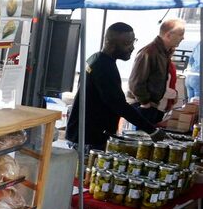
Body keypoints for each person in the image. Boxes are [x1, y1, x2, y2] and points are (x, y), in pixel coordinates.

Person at [66, 22, 160, 153]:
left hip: (85, 133)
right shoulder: (104, 67)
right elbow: (118, 104)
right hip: (88, 138)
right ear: (111, 43)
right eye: (127, 43)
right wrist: (153, 131)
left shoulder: (97, 59)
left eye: (133, 42)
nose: (132, 48)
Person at [127, 19, 186, 123]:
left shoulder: (164, 52)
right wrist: (146, 103)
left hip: (154, 107)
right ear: (168, 35)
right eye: (181, 34)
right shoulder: (149, 52)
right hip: (145, 107)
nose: (183, 38)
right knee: (141, 137)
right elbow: (135, 83)